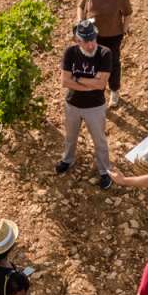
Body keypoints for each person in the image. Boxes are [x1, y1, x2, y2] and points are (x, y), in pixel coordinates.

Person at [57, 19, 113, 190]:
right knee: (70, 136)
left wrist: (78, 78)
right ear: (77, 40)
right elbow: (65, 82)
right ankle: (67, 160)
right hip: (72, 104)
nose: (91, 45)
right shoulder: (70, 53)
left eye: (93, 40)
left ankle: (105, 171)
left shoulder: (105, 53)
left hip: (95, 107)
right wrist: (91, 82)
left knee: (100, 141)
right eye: (86, 41)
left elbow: (101, 85)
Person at [76, 0, 132, 107]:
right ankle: (95, 91)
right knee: (92, 63)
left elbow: (127, 13)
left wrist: (125, 29)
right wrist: (81, 21)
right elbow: (80, 7)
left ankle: (114, 90)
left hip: (113, 35)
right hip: (92, 35)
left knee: (113, 63)